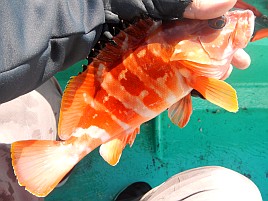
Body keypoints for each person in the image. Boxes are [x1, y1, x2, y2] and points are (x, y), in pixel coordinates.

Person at [0, 0, 261, 200]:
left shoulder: (188, 63)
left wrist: (104, 8)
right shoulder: (190, 67)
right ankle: (64, 157)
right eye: (218, 24)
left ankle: (63, 158)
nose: (236, 20)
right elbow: (224, 100)